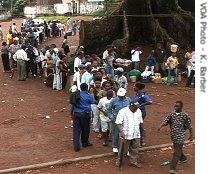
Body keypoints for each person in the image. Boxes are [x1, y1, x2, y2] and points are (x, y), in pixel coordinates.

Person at [158, 101, 193, 174]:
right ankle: (183, 158)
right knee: (178, 148)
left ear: (181, 107)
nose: (175, 107)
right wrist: (161, 126)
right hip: (173, 136)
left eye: (177, 106)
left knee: (176, 153)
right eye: (175, 106)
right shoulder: (172, 114)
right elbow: (166, 120)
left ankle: (172, 169)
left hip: (180, 136)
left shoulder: (185, 115)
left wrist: (191, 135)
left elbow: (189, 126)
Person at [115, 100, 143, 168]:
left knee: (135, 149)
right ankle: (119, 161)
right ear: (131, 106)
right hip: (126, 133)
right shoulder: (123, 111)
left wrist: (142, 132)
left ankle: (133, 161)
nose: (137, 109)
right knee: (123, 149)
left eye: (137, 107)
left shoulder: (138, 111)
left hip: (136, 133)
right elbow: (118, 123)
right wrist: (122, 132)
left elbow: (141, 122)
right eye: (135, 107)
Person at [71, 83, 94, 152]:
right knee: (85, 129)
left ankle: (76, 146)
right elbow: (92, 101)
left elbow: (72, 105)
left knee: (76, 130)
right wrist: (92, 93)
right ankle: (85, 142)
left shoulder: (76, 94)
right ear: (87, 88)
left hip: (76, 113)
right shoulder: (89, 96)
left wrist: (71, 114)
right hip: (85, 114)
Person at [107, 88, 131, 153]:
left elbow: (132, 108)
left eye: (122, 95)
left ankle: (126, 148)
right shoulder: (114, 100)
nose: (120, 97)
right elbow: (109, 109)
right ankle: (115, 146)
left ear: (125, 94)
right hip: (116, 119)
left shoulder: (128, 100)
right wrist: (111, 117)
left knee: (126, 133)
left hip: (126, 120)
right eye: (119, 95)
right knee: (116, 133)